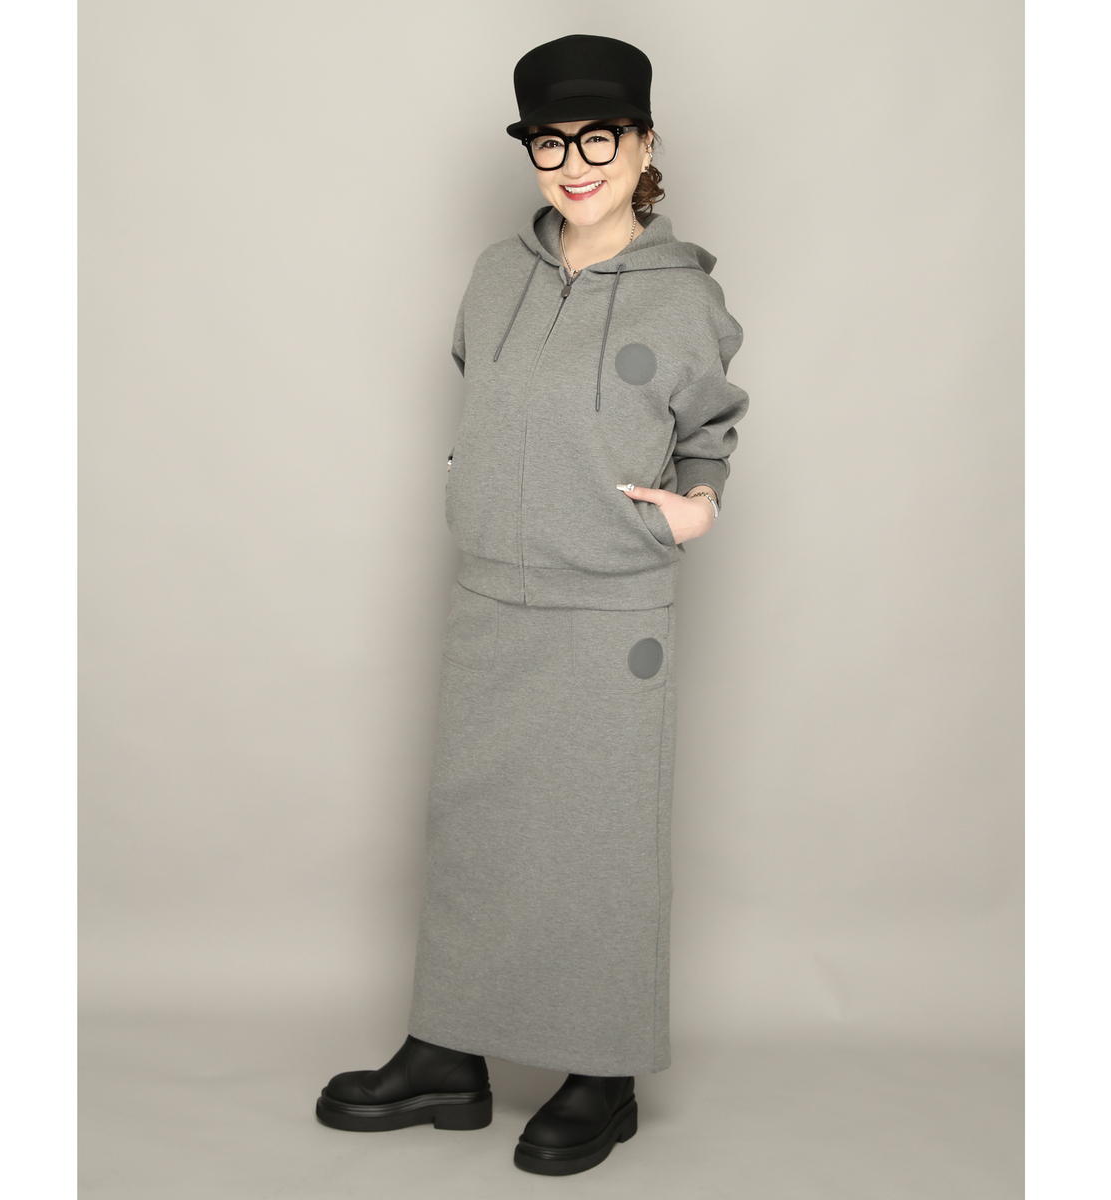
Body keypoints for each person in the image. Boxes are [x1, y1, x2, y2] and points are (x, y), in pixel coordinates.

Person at [314, 34, 748, 1177]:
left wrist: (695, 506)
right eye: (551, 142)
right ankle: (447, 1052)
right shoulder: (494, 275)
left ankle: (602, 1073)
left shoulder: (683, 296)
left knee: (600, 845)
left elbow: (709, 428)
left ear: (644, 145)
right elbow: (485, 398)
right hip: (490, 598)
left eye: (601, 137)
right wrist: (474, 483)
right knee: (477, 831)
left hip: (610, 611)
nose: (576, 163)